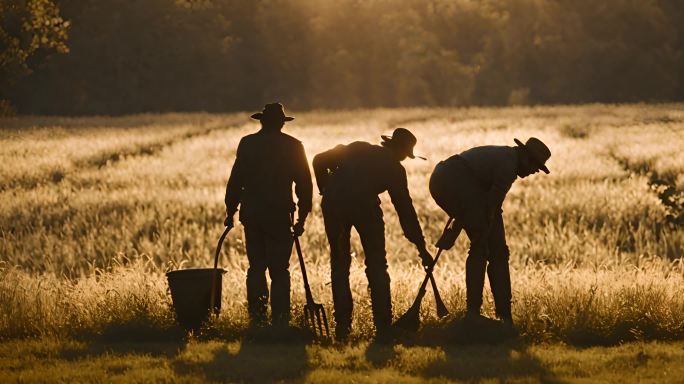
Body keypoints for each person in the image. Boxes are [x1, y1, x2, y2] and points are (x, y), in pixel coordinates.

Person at [312, 128, 433, 341]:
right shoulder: (394, 169)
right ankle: (383, 327)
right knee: (377, 266)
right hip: (366, 208)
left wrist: (326, 189)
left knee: (339, 264)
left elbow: (319, 160)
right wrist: (421, 247)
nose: (405, 158)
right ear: (400, 151)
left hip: (334, 207)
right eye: (406, 154)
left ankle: (342, 328)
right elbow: (404, 209)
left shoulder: (357, 148)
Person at [429, 137, 551, 327]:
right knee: (482, 246)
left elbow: (485, 205)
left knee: (497, 250)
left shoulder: (507, 158)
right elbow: (487, 207)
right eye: (535, 166)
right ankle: (476, 315)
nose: (535, 171)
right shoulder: (508, 166)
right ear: (526, 157)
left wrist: (457, 227)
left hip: (447, 179)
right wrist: (466, 227)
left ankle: (499, 315)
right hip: (452, 180)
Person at [224, 103, 313, 328]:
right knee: (279, 270)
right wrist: (302, 218)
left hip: (252, 214)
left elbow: (236, 181)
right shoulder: (293, 146)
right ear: (282, 123)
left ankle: (258, 319)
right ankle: (281, 321)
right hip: (280, 215)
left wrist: (230, 211)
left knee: (256, 268)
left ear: (262, 121)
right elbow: (304, 184)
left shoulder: (248, 144)